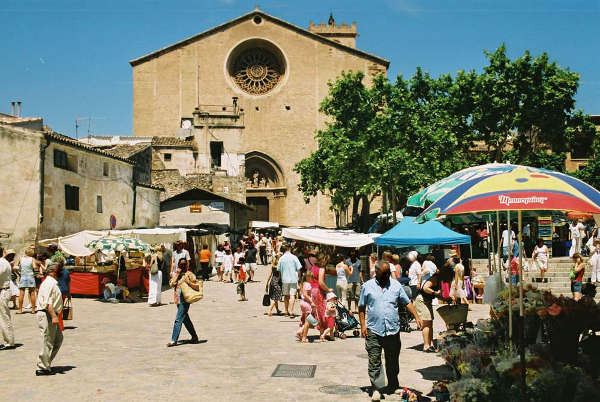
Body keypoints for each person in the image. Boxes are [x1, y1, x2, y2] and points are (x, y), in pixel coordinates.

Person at [359, 261, 423, 400]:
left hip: (393, 329)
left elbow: (407, 302)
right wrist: (363, 325)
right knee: (374, 360)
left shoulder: (395, 285)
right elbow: (361, 307)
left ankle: (393, 385)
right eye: (384, 273)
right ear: (376, 272)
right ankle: (377, 388)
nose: (387, 275)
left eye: (388, 273)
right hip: (374, 330)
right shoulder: (367, 286)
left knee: (392, 360)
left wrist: (417, 317)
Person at [35, 262, 64, 376]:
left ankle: (46, 363)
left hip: (50, 314)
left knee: (58, 339)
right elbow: (48, 303)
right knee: (47, 341)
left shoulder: (52, 282)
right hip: (47, 314)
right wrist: (53, 316)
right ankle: (42, 367)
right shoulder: (49, 283)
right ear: (52, 271)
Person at [167, 259, 199, 347]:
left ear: (187, 265)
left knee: (178, 319)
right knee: (185, 319)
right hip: (178, 300)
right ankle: (194, 337)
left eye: (184, 264)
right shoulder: (176, 274)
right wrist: (177, 274)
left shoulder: (190, 274)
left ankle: (174, 340)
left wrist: (188, 282)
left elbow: (197, 286)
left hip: (185, 300)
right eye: (181, 264)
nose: (183, 266)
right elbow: (171, 284)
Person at [414, 273, 441, 353]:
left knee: (430, 322)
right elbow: (426, 288)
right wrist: (435, 293)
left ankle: (431, 344)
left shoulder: (439, 280)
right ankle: (426, 346)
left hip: (427, 301)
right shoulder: (435, 278)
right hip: (422, 300)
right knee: (426, 323)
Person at [311, 253, 334, 340]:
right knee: (321, 311)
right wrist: (328, 289)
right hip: (318, 291)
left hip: (312, 290)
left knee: (315, 312)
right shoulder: (321, 269)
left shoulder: (313, 267)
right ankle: (322, 332)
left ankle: (304, 330)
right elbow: (321, 282)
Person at [277, 245, 302, 317]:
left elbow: (279, 270)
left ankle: (286, 311)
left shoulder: (281, 258)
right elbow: (298, 269)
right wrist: (299, 278)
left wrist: (280, 278)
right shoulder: (294, 257)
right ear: (289, 249)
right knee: (292, 295)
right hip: (293, 279)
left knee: (286, 296)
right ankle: (291, 311)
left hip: (284, 279)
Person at [0, 249, 16, 350]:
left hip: (3, 291)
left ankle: (9, 341)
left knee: (4, 317)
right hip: (4, 290)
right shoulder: (5, 262)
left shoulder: (1, 262)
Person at [17, 247, 39, 314]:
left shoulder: (20, 259)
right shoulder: (32, 259)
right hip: (30, 277)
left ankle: (20, 310)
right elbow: (35, 267)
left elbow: (15, 267)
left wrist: (19, 273)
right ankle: (33, 310)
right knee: (32, 293)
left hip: (23, 276)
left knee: (21, 293)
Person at [296, 271, 316, 341]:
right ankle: (303, 337)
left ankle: (301, 333)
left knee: (309, 320)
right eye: (312, 277)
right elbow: (305, 295)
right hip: (307, 303)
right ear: (308, 277)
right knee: (308, 321)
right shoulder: (307, 284)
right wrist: (311, 302)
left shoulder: (303, 284)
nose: (312, 279)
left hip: (302, 303)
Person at [56, 258, 70, 331]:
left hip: (57, 291)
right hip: (64, 291)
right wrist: (69, 294)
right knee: (60, 308)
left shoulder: (55, 272)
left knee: (57, 309)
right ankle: (60, 325)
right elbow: (68, 283)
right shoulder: (66, 272)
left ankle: (59, 326)